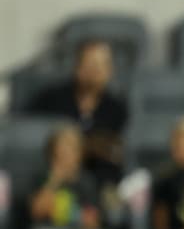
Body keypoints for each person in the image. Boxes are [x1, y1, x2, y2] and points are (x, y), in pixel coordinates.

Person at [29, 39, 129, 184]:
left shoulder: (117, 108)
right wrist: (91, 146)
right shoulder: (51, 100)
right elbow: (31, 136)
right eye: (90, 64)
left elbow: (116, 152)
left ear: (110, 71)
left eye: (101, 65)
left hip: (100, 185)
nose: (95, 71)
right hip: (55, 180)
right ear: (77, 66)